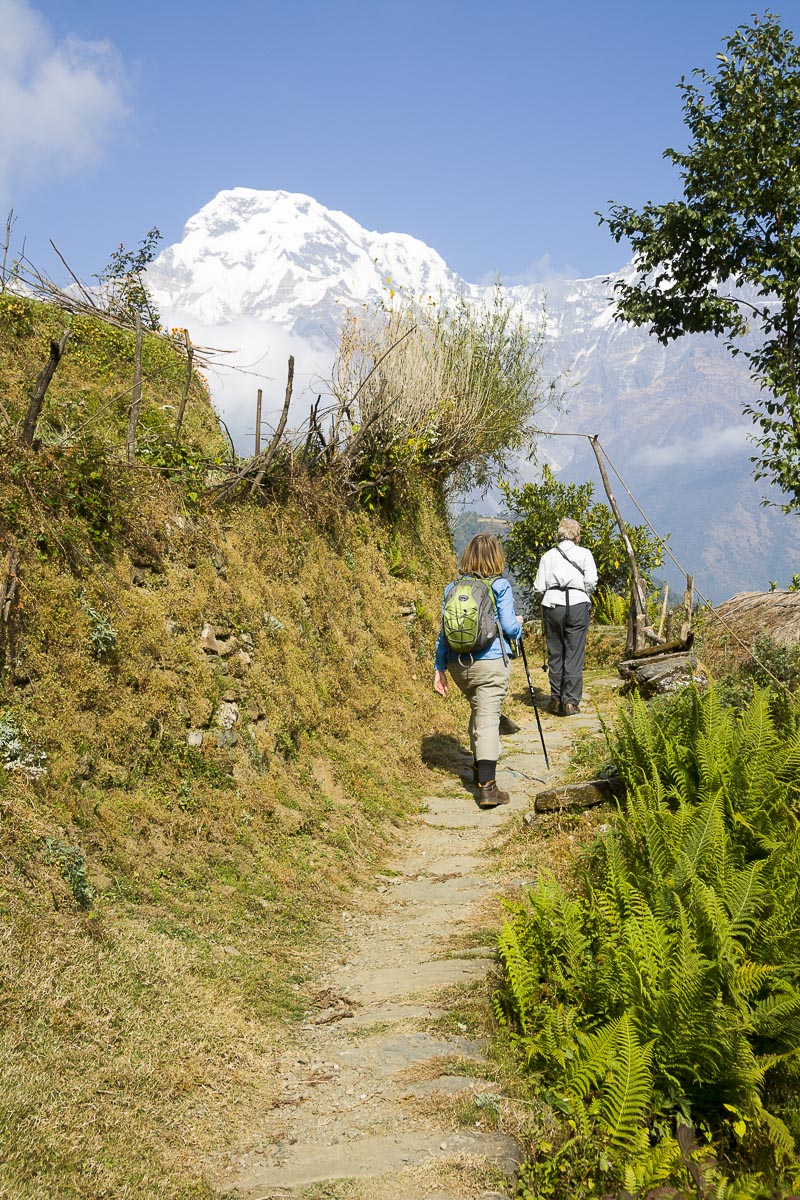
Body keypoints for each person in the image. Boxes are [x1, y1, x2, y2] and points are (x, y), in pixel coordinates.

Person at [434, 534, 522, 809]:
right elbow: (508, 628)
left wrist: (439, 668)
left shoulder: (452, 587)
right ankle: (487, 787)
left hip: (458, 666)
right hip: (490, 663)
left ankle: (477, 766)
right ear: (496, 557)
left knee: (478, 711)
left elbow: (443, 633)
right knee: (487, 720)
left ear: (468, 556)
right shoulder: (499, 585)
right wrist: (519, 625)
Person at [533, 518, 598, 715]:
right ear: (577, 536)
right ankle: (570, 701)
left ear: (558, 536)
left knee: (556, 652)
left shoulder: (548, 556)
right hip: (577, 604)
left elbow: (538, 587)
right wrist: (582, 592)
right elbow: (591, 582)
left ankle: (555, 699)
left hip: (553, 605)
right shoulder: (585, 554)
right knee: (574, 653)